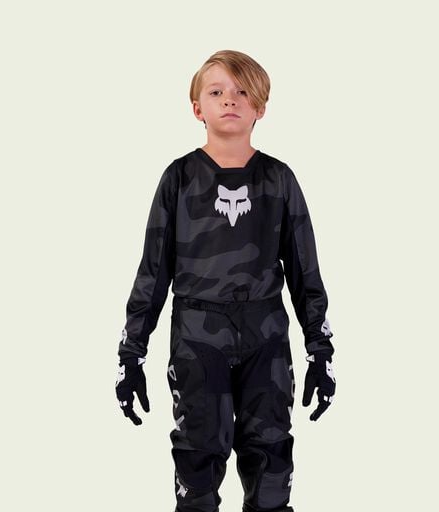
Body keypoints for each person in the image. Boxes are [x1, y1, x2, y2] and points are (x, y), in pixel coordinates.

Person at [115, 49, 336, 512]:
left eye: (242, 92)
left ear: (261, 108)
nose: (230, 100)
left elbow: (305, 271)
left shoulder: (278, 180)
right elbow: (153, 271)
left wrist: (320, 350)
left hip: (265, 337)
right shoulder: (179, 179)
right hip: (198, 337)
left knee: (271, 456)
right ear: (197, 107)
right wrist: (131, 354)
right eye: (217, 92)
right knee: (197, 457)